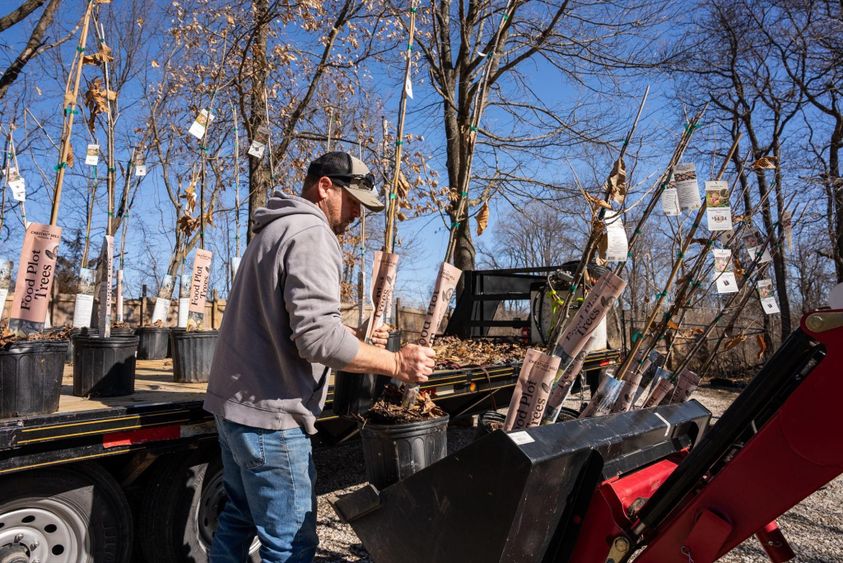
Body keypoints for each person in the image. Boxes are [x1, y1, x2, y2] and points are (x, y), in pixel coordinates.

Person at [204, 152, 436, 562]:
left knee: (239, 518)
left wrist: (353, 337)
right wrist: (397, 364)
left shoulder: (273, 230)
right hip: (271, 419)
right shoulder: (312, 232)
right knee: (291, 545)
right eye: (353, 202)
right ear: (325, 186)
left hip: (235, 410)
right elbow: (316, 340)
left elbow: (285, 325)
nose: (357, 215)